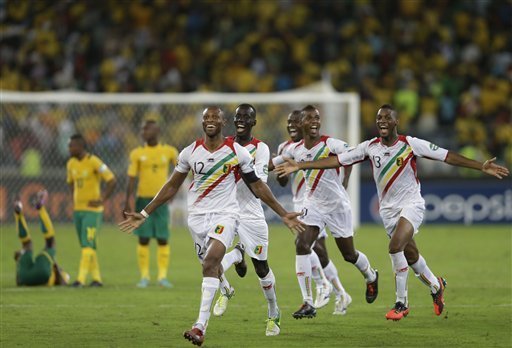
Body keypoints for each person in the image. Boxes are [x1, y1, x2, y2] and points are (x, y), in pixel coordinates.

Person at [275, 104, 510, 321]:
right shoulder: (369, 147)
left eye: (387, 117)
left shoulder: (410, 144)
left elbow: (446, 156)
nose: (382, 121)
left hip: (411, 204)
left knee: (395, 247)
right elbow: (338, 161)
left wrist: (480, 166)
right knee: (412, 257)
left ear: (397, 121)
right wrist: (300, 165)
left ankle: (401, 303)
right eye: (379, 118)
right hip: (387, 210)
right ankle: (436, 285)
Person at [119, 106, 304, 347]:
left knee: (252, 266)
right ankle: (229, 278)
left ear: (226, 122)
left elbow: (257, 185)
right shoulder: (191, 152)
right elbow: (172, 185)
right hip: (198, 218)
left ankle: (265, 311)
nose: (210, 120)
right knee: (210, 266)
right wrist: (144, 213)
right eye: (206, 117)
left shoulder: (247, 150)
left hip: (237, 213)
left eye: (215, 117)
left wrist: (283, 214)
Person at [270, 105, 379, 319]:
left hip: (337, 206)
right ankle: (308, 302)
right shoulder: (293, 149)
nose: (314, 121)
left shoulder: (331, 143)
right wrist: (244, 164)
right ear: (301, 123)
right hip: (314, 205)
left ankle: (370, 275)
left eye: (317, 118)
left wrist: (344, 180)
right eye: (309, 118)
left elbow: (352, 156)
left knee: (349, 255)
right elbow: (270, 166)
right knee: (302, 244)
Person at [211, 104, 281, 336]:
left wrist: (240, 163)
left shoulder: (260, 149)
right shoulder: (224, 145)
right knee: (210, 257)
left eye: (246, 117)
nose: (241, 120)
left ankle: (273, 311)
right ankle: (226, 289)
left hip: (251, 213)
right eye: (238, 116)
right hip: (226, 211)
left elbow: (256, 187)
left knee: (261, 267)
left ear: (254, 122)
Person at [276, 110, 351, 315]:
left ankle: (324, 286)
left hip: (319, 203)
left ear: (302, 124)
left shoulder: (320, 145)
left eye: (295, 122)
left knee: (313, 247)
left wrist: (344, 181)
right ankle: (337, 291)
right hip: (301, 202)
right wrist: (283, 169)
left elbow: (347, 158)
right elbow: (282, 181)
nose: (291, 126)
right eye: (288, 122)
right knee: (315, 249)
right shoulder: (285, 149)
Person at [124, 120, 179, 288]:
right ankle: (144, 276)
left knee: (163, 238)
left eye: (146, 129)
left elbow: (179, 173)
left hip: (160, 200)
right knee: (144, 238)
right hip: (143, 199)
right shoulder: (137, 153)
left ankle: (162, 276)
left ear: (157, 131)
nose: (143, 132)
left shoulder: (169, 151)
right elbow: (132, 178)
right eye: (142, 129)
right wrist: (128, 200)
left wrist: (173, 192)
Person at [67, 133, 116, 287]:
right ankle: (97, 279)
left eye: (71, 145)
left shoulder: (94, 161)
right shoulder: (71, 164)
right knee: (88, 245)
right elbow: (71, 184)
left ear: (80, 146)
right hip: (78, 210)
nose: (69, 148)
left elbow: (111, 179)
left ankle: (80, 279)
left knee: (87, 244)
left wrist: (102, 199)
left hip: (92, 211)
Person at [13, 190, 70, 286]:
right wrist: (18, 261)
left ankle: (21, 213)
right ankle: (34, 209)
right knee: (30, 244)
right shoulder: (55, 274)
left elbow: (63, 281)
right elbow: (19, 281)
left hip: (28, 274)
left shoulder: (57, 272)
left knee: (47, 243)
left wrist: (56, 267)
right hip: (27, 277)